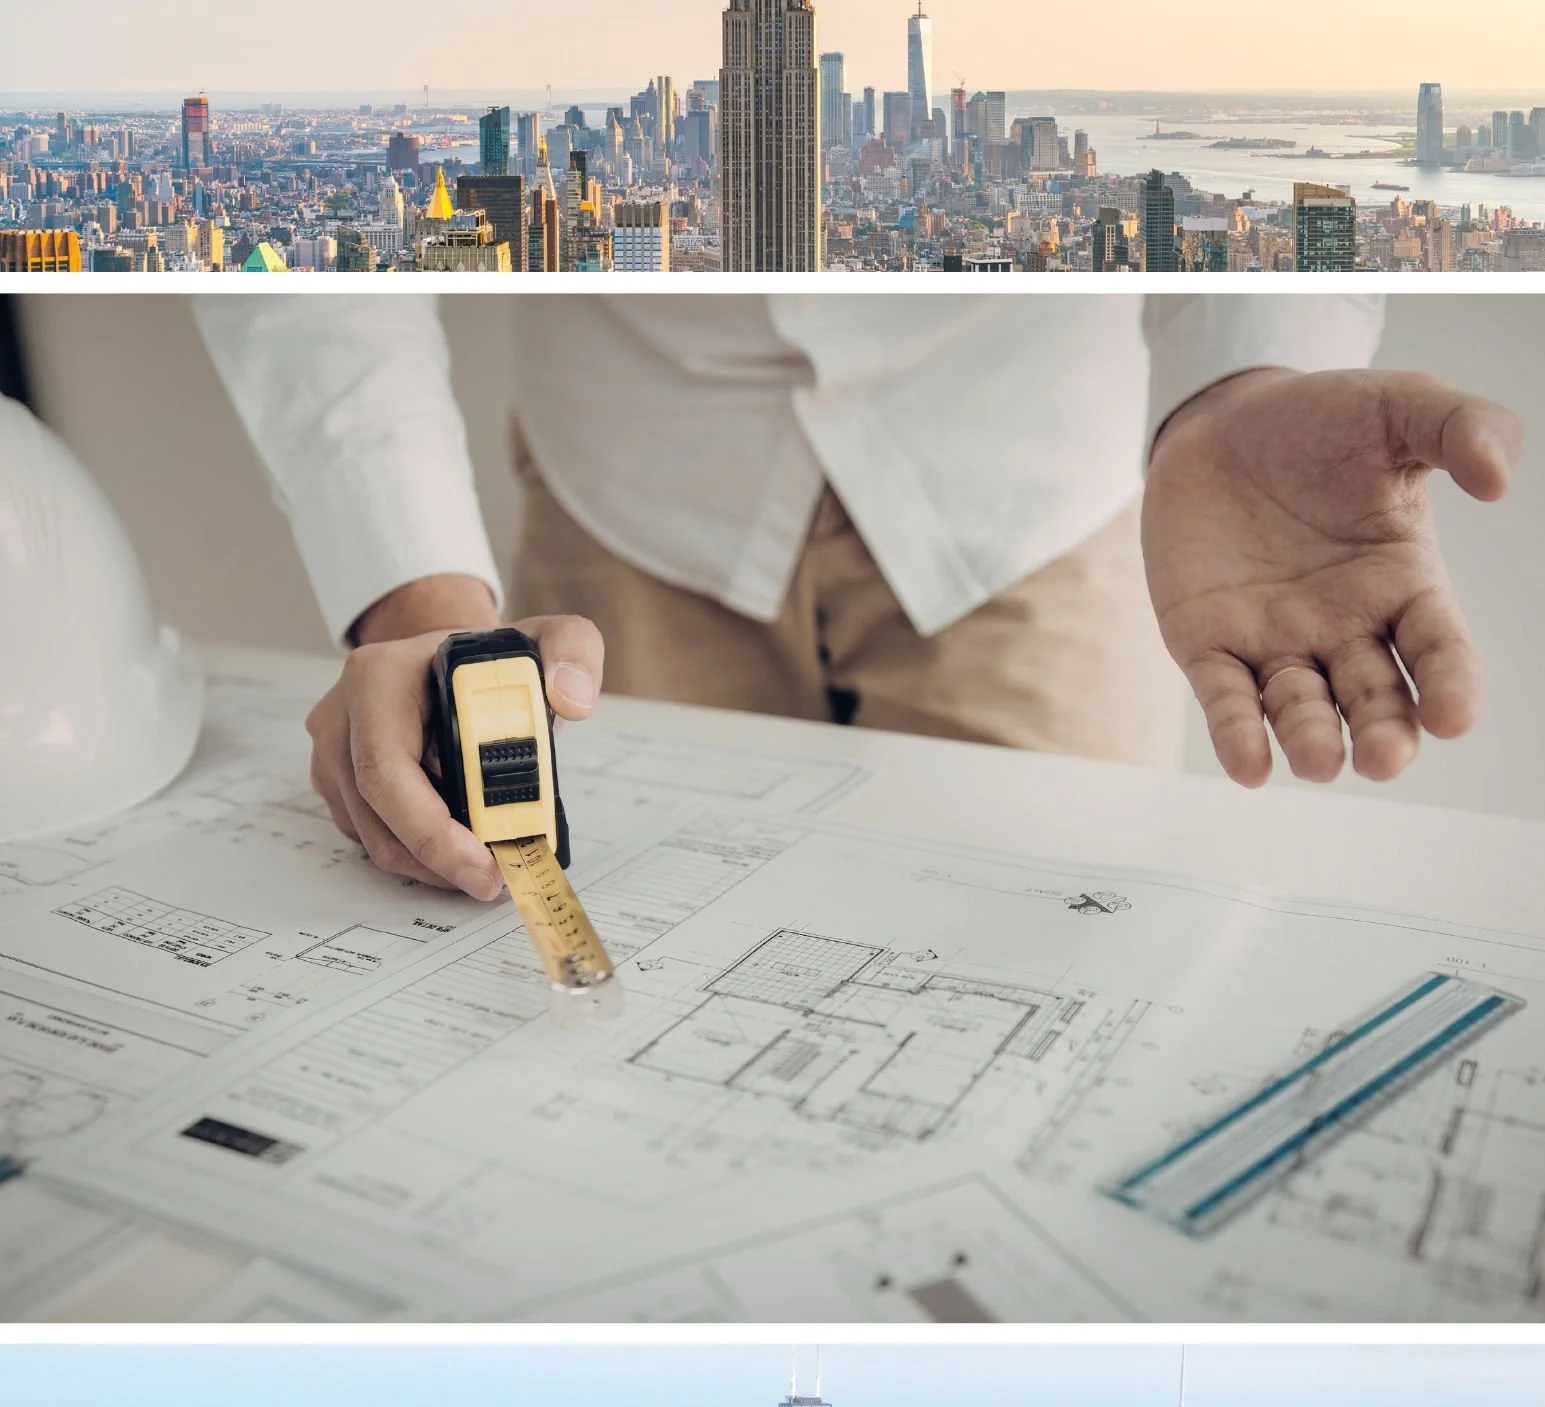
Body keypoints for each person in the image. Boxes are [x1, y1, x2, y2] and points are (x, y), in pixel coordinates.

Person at [193, 296, 1521, 903]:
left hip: (1038, 475)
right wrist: (410, 580)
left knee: (1045, 958)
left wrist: (1244, 375)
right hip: (634, 468)